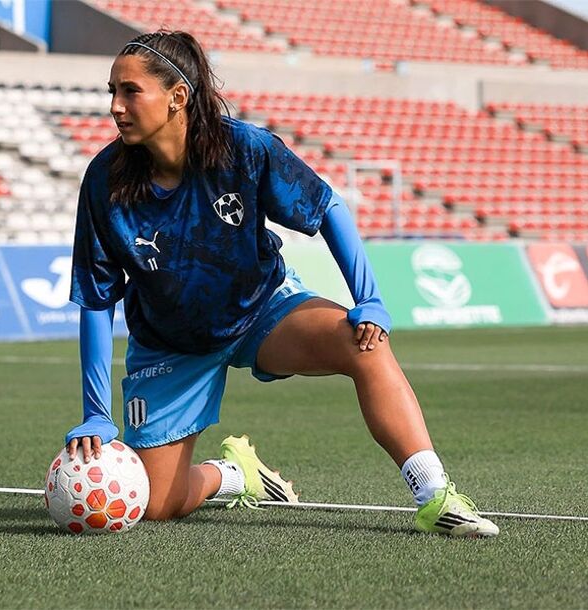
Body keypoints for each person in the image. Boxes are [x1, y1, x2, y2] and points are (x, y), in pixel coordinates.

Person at [65, 30, 498, 537]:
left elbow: (327, 206)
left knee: (364, 345)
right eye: (111, 91)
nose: (115, 106)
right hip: (169, 342)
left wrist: (369, 297)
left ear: (177, 96)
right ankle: (234, 475)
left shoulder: (245, 149)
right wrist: (96, 414)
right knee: (155, 504)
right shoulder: (104, 179)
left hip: (261, 310)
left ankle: (435, 496)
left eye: (129, 91)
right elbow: (97, 297)